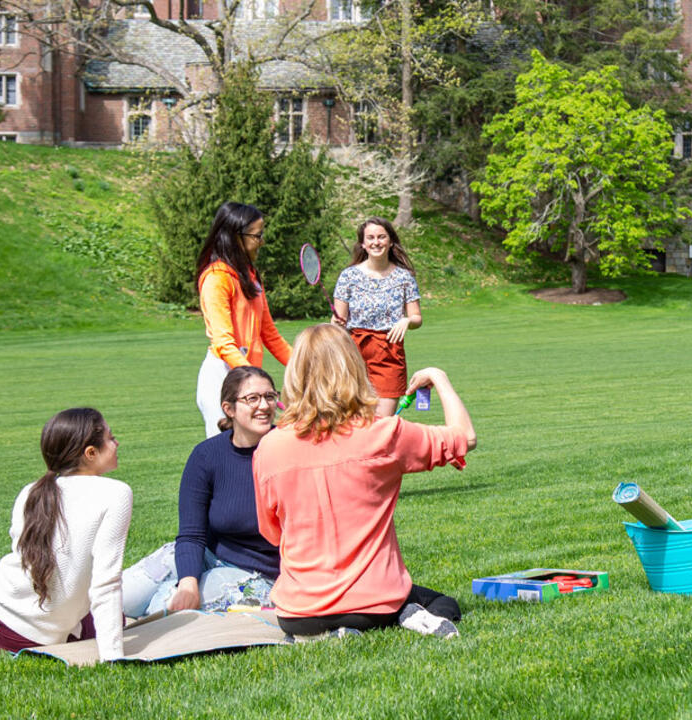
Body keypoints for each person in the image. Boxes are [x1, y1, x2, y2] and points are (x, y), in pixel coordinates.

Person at [253, 323, 476, 641]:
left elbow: (271, 531)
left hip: (297, 612)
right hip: (374, 603)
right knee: (444, 603)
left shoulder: (269, 448)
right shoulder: (383, 434)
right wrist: (438, 377)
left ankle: (338, 633)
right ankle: (391, 621)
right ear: (354, 369)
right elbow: (465, 436)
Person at [0, 409, 132, 660]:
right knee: (115, 619)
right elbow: (106, 583)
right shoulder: (116, 494)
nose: (117, 442)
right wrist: (114, 658)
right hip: (28, 637)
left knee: (99, 616)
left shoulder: (31, 491)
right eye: (112, 438)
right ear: (91, 453)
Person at [121, 367, 281, 617]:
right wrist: (188, 580)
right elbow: (191, 534)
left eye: (269, 396)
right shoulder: (206, 455)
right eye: (252, 398)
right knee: (120, 599)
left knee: (164, 610)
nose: (264, 405)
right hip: (208, 554)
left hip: (259, 573)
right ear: (229, 409)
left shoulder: (287, 452)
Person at [195, 201, 291, 437]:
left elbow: (270, 335)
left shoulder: (251, 278)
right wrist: (254, 378)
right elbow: (224, 343)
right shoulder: (216, 278)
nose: (262, 241)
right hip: (223, 378)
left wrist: (304, 365)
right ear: (236, 236)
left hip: (248, 378)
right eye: (257, 235)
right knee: (226, 459)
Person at [332, 218, 422, 417]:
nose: (376, 242)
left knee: (383, 424)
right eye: (370, 238)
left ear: (390, 241)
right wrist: (336, 322)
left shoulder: (404, 277)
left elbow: (417, 317)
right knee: (353, 421)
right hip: (354, 352)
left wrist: (406, 321)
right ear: (363, 244)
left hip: (389, 351)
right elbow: (338, 321)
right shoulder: (348, 276)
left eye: (381, 237)